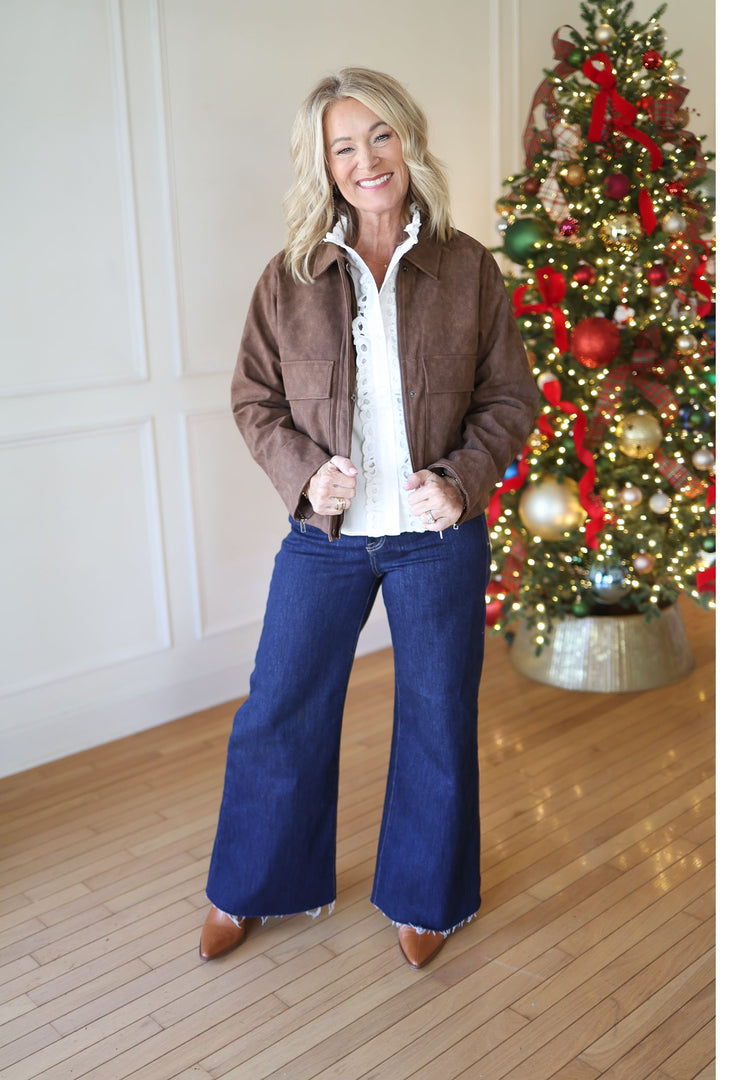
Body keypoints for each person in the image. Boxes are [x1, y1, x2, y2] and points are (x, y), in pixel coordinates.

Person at [199, 68, 539, 969]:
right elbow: (254, 398)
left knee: (436, 713)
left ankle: (426, 897)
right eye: (344, 147)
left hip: (439, 537)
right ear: (326, 165)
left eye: (379, 137)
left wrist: (463, 480)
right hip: (329, 539)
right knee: (279, 706)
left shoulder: (467, 267)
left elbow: (510, 396)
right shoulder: (291, 276)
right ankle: (253, 885)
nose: (366, 159)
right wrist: (307, 478)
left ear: (408, 141)